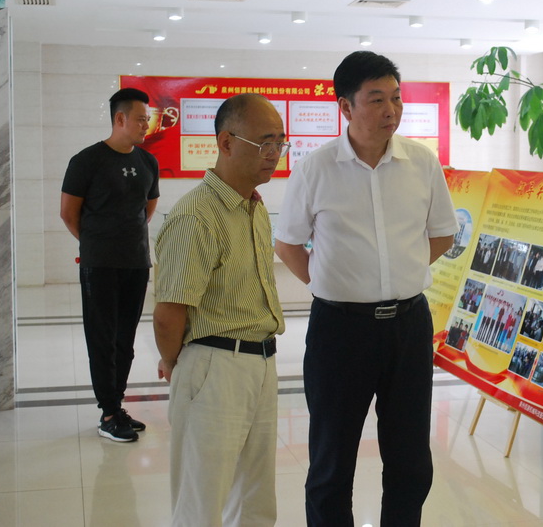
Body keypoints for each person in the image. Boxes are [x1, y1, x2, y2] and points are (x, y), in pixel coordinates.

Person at [275, 51, 458, 526]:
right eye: (376, 99)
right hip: (340, 330)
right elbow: (288, 243)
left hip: (408, 326)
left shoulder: (421, 162)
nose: (390, 110)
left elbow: (442, 234)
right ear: (345, 106)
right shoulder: (315, 168)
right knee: (332, 460)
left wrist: (397, 272)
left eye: (396, 98)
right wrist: (330, 282)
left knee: (410, 459)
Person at [153, 93, 287, 526]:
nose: (274, 153)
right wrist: (179, 364)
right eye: (264, 143)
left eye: (280, 143)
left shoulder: (253, 208)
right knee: (203, 501)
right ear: (226, 143)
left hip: (260, 363)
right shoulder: (196, 216)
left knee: (255, 499)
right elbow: (169, 312)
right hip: (214, 367)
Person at [60, 88, 159, 443]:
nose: (146, 125)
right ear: (120, 119)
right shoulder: (86, 161)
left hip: (136, 263)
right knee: (102, 338)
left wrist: (126, 243)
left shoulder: (148, 162)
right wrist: (96, 245)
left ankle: (117, 405)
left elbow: (147, 208)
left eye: (147, 119)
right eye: (141, 119)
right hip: (99, 265)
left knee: (124, 339)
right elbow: (68, 213)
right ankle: (107, 413)